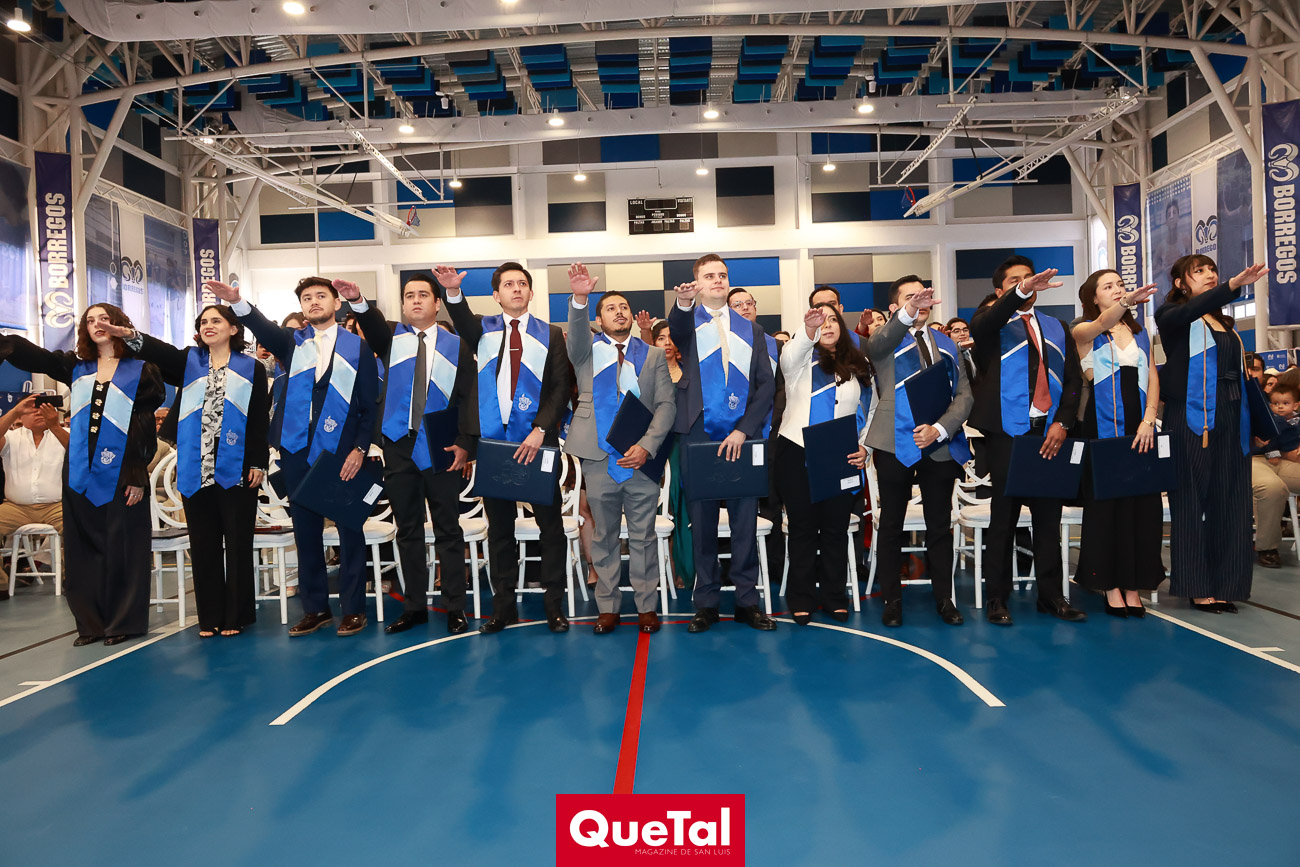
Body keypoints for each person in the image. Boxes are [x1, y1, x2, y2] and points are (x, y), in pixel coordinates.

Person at [207, 277, 380, 637]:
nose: (314, 301)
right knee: (306, 532)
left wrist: (360, 448)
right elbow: (263, 328)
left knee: (350, 531)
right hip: (297, 449)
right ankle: (315, 608)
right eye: (307, 298)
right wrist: (238, 302)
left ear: (336, 303)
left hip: (342, 452)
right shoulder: (292, 342)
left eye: (321, 296)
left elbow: (369, 403)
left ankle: (353, 609)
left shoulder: (358, 348)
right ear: (301, 307)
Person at [0, 305, 164, 645]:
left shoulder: (142, 370)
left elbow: (144, 426)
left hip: (123, 471)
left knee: (122, 547)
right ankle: (91, 624)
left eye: (103, 319)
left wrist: (137, 472)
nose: (96, 325)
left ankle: (122, 622)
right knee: (82, 548)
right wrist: (8, 343)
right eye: (90, 321)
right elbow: (40, 358)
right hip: (79, 471)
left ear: (119, 324)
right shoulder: (77, 367)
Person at [104, 305, 270, 637]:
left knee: (238, 543)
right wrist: (131, 336)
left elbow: (257, 418)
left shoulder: (251, 367)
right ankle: (209, 617)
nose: (209, 326)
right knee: (204, 543)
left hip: (237, 464)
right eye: (204, 322)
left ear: (233, 329)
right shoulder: (190, 362)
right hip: (197, 463)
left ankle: (236, 616)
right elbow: (159, 352)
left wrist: (257, 461)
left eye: (216, 321)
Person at [436, 262, 576, 634]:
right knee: (500, 531)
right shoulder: (482, 329)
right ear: (496, 295)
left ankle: (554, 606)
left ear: (531, 292)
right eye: (508, 284)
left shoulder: (551, 334)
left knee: (550, 529)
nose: (516, 288)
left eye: (522, 283)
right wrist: (453, 292)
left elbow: (560, 387)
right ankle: (503, 608)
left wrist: (541, 428)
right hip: (494, 445)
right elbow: (460, 318)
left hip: (537, 444)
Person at [337, 273, 478, 635]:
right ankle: (414, 606)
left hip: (442, 446)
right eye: (409, 295)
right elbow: (371, 323)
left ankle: (455, 606)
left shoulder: (456, 345)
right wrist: (357, 300)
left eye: (423, 295)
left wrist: (466, 443)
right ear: (402, 305)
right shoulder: (391, 338)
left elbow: (468, 397)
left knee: (448, 530)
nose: (416, 300)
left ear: (436, 303)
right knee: (408, 530)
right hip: (399, 445)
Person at [968, 255, 1086, 624]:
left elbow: (1074, 381)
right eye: (1015, 280)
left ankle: (1051, 596)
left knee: (1048, 519)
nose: (1027, 283)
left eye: (1029, 278)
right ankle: (997, 598)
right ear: (1000, 290)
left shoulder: (1056, 326)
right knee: (1003, 520)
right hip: (1007, 433)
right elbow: (988, 322)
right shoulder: (990, 324)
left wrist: (1063, 423)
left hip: (1049, 432)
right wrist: (1020, 292)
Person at [565, 264, 676, 634]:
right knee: (604, 537)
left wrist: (646, 446)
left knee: (643, 536)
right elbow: (576, 335)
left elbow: (666, 406)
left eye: (624, 307)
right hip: (598, 459)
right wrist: (580, 298)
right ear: (599, 319)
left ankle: (646, 607)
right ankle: (608, 607)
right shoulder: (586, 352)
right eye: (610, 308)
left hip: (641, 461)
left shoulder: (654, 355)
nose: (619, 312)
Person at [669, 253, 777, 632]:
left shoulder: (752, 330)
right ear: (698, 283)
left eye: (723, 275)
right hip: (698, 432)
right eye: (709, 275)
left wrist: (744, 429)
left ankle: (747, 601)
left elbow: (766, 386)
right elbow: (677, 327)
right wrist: (683, 302)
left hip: (742, 435)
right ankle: (707, 603)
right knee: (702, 523)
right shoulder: (689, 322)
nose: (717, 280)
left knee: (745, 521)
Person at [1154, 255, 1269, 612]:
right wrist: (1232, 286)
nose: (1209, 275)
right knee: (1190, 502)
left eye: (1212, 270)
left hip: (1232, 413)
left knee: (1232, 501)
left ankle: (1226, 584)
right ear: (1180, 283)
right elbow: (1194, 309)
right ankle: (1195, 585)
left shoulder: (1226, 324)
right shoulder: (1171, 316)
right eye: (1199, 271)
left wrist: (1257, 425)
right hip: (1190, 416)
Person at [868, 278, 973, 627]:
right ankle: (892, 600)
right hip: (893, 443)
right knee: (892, 525)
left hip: (938, 444)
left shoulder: (946, 343)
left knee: (939, 525)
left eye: (925, 296)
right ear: (895, 307)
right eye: (911, 298)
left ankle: (944, 598)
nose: (921, 302)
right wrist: (908, 312)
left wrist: (940, 429)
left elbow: (964, 394)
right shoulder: (886, 339)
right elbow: (876, 344)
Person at [1070, 270, 1164, 617]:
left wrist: (1149, 419)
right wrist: (1125, 301)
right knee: (1107, 509)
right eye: (1108, 287)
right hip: (1102, 427)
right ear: (1093, 297)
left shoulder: (1140, 333)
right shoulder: (1083, 330)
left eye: (1120, 285)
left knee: (1142, 508)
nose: (1117, 290)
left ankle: (1133, 584)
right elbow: (1099, 325)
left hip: (1141, 427)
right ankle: (1109, 584)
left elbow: (1152, 376)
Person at [777, 304, 872, 623]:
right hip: (797, 450)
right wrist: (808, 328)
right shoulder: (799, 359)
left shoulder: (858, 364)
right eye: (821, 322)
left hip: (840, 454)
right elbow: (790, 355)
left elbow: (870, 409)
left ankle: (834, 596)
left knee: (835, 529)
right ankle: (801, 597)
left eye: (833, 320)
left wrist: (865, 446)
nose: (827, 325)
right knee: (802, 528)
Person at [728, 286, 785, 577]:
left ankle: (773, 566)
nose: (745, 308)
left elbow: (782, 390)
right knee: (733, 503)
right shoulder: (722, 345)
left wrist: (775, 423)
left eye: (748, 303)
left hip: (770, 433)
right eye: (737, 304)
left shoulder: (776, 346)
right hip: (733, 436)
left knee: (771, 501)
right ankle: (731, 566)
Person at [0, 395, 67, 600]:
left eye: (44, 408)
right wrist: (14, 412)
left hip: (58, 505)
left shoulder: (64, 433)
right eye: (32, 409)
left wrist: (54, 426)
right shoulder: (11, 437)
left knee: (79, 526)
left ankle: (73, 578)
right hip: (15, 506)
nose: (38, 412)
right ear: (21, 416)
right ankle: (1, 583)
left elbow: (80, 453)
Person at [652, 320, 692, 590]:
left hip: (683, 445)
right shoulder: (646, 373)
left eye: (670, 337)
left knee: (681, 504)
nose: (666, 342)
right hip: (654, 445)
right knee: (657, 507)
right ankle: (660, 569)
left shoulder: (690, 372)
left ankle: (685, 568)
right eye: (660, 338)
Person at [1251, 382, 1300, 568]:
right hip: (1254, 458)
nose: (1280, 407)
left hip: (1284, 459)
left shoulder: (1295, 419)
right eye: (1276, 403)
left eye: (1285, 403)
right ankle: (1267, 548)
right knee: (1271, 488)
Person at [946, 317, 977, 385]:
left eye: (965, 330)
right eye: (956, 331)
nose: (962, 333)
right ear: (948, 335)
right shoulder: (948, 355)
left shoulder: (975, 352)